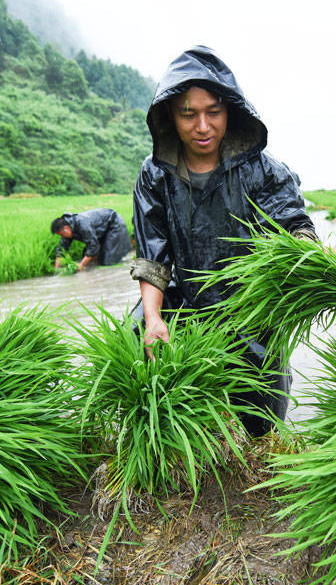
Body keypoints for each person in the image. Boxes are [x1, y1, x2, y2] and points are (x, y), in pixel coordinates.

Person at [130, 46, 317, 436]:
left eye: (213, 112)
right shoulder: (155, 176)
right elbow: (153, 258)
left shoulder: (264, 171)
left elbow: (295, 227)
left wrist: (308, 254)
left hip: (251, 310)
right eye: (188, 114)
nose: (202, 126)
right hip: (188, 304)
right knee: (138, 338)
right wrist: (153, 319)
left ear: (231, 110)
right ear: (170, 116)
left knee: (262, 424)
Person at [52, 208, 131, 271]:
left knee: (108, 261)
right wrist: (56, 270)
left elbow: (93, 246)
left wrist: (81, 265)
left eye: (62, 234)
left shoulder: (82, 224)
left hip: (114, 223)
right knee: (89, 258)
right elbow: (61, 251)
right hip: (101, 230)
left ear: (66, 228)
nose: (62, 237)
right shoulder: (68, 230)